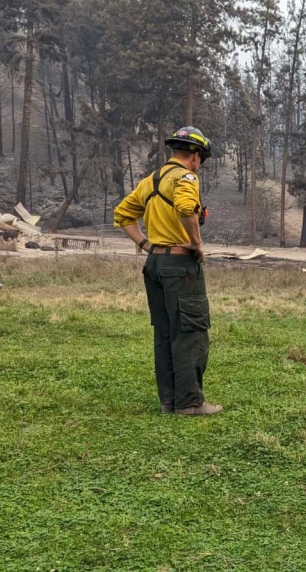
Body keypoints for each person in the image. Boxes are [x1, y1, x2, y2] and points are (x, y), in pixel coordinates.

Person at [113, 126, 222, 416]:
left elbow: (122, 214)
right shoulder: (186, 177)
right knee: (189, 330)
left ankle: (169, 401)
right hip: (180, 265)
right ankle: (190, 403)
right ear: (196, 156)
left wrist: (145, 244)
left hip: (155, 264)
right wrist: (196, 244)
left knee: (164, 332)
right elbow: (187, 208)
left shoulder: (150, 181)